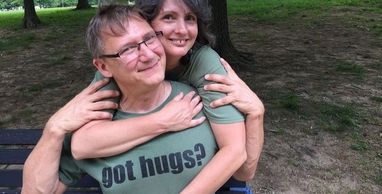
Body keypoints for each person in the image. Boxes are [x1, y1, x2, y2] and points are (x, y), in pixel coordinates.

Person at [22, 5, 246, 194]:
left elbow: (239, 159)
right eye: (128, 49)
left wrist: (255, 114)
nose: (148, 55)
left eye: (149, 39)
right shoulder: (96, 121)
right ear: (103, 67)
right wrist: (54, 129)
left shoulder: (198, 100)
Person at [72, 0, 264, 181]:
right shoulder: (120, 66)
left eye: (190, 18)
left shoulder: (205, 64)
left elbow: (240, 165)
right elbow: (82, 144)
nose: (181, 30)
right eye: (169, 17)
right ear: (146, 22)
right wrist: (163, 121)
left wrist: (256, 113)